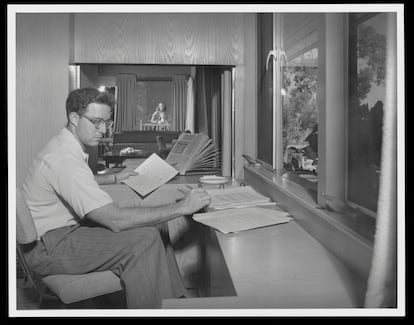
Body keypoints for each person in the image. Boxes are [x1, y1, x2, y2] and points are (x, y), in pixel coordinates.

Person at [21, 87, 211, 308]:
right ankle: (157, 308)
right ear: (74, 118)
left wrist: (112, 179)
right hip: (50, 247)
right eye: (96, 122)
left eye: (107, 123)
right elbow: (115, 220)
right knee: (145, 240)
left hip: (56, 236)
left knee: (157, 228)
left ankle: (172, 303)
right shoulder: (64, 159)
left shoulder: (64, 146)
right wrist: (181, 208)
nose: (103, 130)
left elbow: (72, 181)